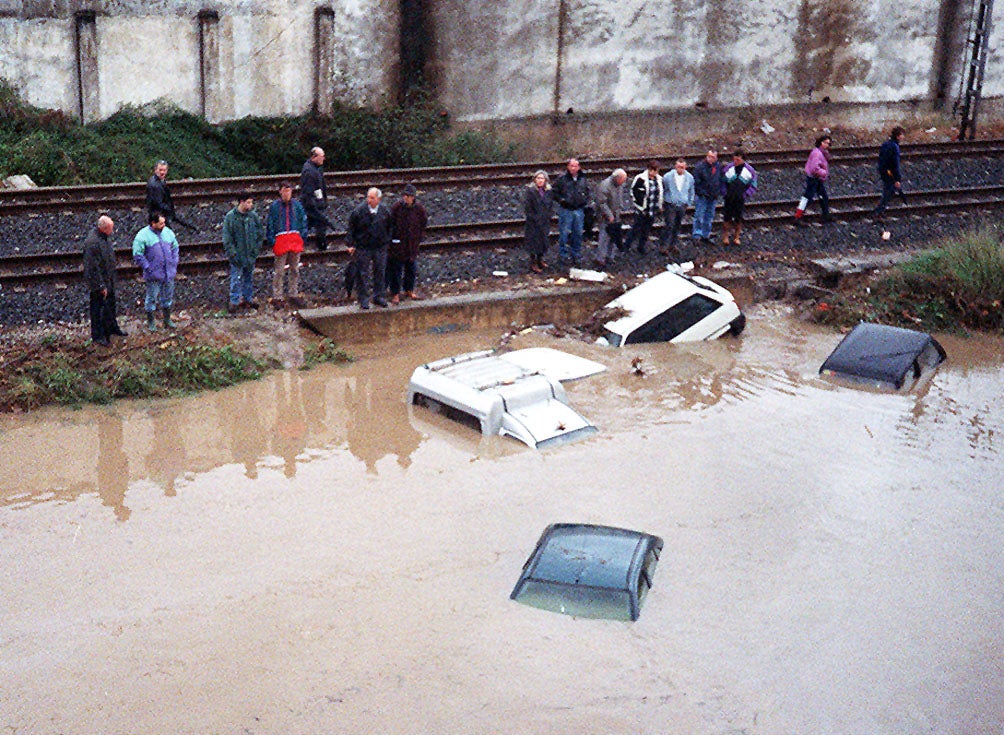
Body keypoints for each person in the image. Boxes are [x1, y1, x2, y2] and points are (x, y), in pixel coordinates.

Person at [82, 214, 126, 346]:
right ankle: (99, 335)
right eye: (111, 229)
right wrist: (100, 286)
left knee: (110, 306)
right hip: (100, 283)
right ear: (104, 228)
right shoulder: (93, 243)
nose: (112, 231)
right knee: (98, 310)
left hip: (108, 279)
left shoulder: (103, 238)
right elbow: (92, 268)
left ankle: (112, 327)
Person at [346, 187, 393, 309]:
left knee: (380, 271)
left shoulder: (385, 211)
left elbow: (390, 227)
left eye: (372, 198)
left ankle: (379, 296)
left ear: (378, 199)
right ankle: (363, 298)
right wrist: (351, 244)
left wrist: (387, 242)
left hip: (379, 246)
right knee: (362, 273)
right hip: (363, 246)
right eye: (368, 197)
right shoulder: (359, 211)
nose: (369, 200)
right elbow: (351, 228)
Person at [132, 211, 180, 331]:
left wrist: (174, 263)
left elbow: (175, 248)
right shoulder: (142, 236)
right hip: (153, 275)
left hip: (168, 273)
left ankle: (167, 319)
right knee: (151, 298)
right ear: (153, 223)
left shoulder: (168, 232)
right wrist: (148, 268)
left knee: (168, 297)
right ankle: (151, 322)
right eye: (161, 223)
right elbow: (137, 255)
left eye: (164, 222)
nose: (164, 225)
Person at [266, 182, 308, 306]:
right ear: (280, 192)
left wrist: (302, 237)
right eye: (285, 191)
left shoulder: (297, 206)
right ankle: (277, 296)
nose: (287, 193)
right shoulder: (275, 207)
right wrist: (272, 240)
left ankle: (293, 293)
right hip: (281, 241)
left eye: (289, 191)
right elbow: (270, 224)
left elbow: (303, 222)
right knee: (279, 270)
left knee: (294, 269)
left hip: (294, 241)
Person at [222, 193, 265, 312]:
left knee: (249, 277)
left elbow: (260, 233)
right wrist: (233, 253)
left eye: (251, 202)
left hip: (250, 254)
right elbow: (227, 238)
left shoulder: (253, 216)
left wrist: (255, 250)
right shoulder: (230, 217)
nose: (251, 205)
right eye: (248, 202)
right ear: (241, 202)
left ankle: (247, 298)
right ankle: (234, 300)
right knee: (236, 278)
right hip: (238, 255)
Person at [387, 183, 428, 303]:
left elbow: (423, 223)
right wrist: (392, 240)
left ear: (413, 197)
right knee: (396, 270)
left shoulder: (419, 209)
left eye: (408, 195)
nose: (406, 197)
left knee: (411, 268)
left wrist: (418, 238)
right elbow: (390, 224)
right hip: (398, 245)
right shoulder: (397, 207)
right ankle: (395, 293)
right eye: (405, 195)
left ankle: (409, 289)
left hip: (411, 245)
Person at [553, 158, 591, 265]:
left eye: (575, 166)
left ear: (579, 167)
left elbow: (587, 191)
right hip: (566, 210)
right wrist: (562, 201)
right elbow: (554, 192)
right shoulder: (562, 179)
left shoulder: (583, 178)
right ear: (568, 167)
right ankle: (563, 255)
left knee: (578, 234)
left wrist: (584, 201)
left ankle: (576, 254)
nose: (573, 168)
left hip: (579, 210)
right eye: (571, 166)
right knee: (564, 234)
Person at [624, 160, 664, 254]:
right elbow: (633, 191)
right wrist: (638, 204)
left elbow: (660, 193)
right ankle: (627, 246)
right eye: (653, 170)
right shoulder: (640, 178)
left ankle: (641, 247)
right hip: (642, 209)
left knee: (646, 230)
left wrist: (659, 205)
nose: (654, 173)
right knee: (636, 229)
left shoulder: (659, 179)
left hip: (652, 209)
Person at [300, 146, 336, 250]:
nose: (323, 159)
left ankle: (319, 246)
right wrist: (315, 206)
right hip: (313, 206)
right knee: (318, 225)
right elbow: (308, 192)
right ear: (314, 157)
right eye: (322, 156)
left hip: (316, 204)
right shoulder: (310, 172)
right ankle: (321, 247)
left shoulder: (315, 169)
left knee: (309, 226)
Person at [720, 149, 757, 246]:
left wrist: (746, 194)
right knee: (727, 218)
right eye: (735, 159)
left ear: (743, 160)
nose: (736, 161)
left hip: (740, 198)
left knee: (738, 219)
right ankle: (725, 236)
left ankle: (737, 237)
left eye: (738, 159)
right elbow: (722, 182)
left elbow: (753, 185)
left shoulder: (750, 170)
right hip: (729, 197)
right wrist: (724, 193)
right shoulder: (728, 168)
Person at [593, 168, 627, 269]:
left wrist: (619, 210)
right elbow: (602, 203)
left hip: (615, 215)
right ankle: (600, 258)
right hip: (606, 216)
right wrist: (609, 215)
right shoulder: (605, 185)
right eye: (623, 180)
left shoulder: (619, 185)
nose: (623, 183)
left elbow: (619, 198)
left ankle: (610, 256)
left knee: (614, 236)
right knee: (604, 237)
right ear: (617, 178)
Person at [660, 158, 695, 258]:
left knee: (677, 225)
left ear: (685, 167)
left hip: (682, 205)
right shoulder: (667, 177)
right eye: (679, 167)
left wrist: (689, 202)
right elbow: (663, 189)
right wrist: (663, 201)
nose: (680, 169)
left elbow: (691, 190)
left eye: (682, 167)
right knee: (669, 225)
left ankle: (673, 244)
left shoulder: (689, 178)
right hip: (670, 204)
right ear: (675, 166)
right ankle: (664, 245)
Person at [795, 134, 832, 225]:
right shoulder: (817, 153)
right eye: (825, 142)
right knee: (808, 197)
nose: (826, 145)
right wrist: (824, 173)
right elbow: (814, 168)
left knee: (823, 196)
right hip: (813, 178)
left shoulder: (821, 152)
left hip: (817, 178)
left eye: (828, 143)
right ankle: (798, 217)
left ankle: (826, 215)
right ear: (820, 142)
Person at [523, 170, 553, 273]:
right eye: (538, 178)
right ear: (535, 180)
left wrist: (548, 216)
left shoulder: (548, 191)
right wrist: (535, 218)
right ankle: (533, 262)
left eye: (542, 178)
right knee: (533, 242)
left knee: (543, 241)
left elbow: (550, 206)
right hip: (533, 222)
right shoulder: (531, 191)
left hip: (544, 221)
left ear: (546, 180)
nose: (540, 180)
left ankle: (541, 259)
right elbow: (528, 208)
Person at [874, 126, 907, 216]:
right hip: (890, 172)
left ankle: (880, 210)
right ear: (898, 136)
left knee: (888, 189)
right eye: (902, 135)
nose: (903, 137)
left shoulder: (886, 144)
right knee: (889, 191)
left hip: (883, 170)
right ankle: (879, 210)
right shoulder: (895, 147)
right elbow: (895, 164)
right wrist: (897, 179)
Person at [692, 148, 722, 243]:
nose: (710, 159)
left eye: (713, 157)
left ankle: (706, 234)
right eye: (709, 156)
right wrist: (702, 192)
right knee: (699, 215)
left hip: (713, 196)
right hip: (703, 196)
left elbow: (720, 179)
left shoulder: (718, 167)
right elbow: (696, 182)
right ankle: (697, 235)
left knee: (709, 216)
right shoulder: (700, 167)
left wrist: (718, 192)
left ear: (716, 158)